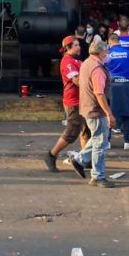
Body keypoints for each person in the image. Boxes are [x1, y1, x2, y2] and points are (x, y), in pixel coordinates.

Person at [67, 40, 115, 188]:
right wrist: (109, 114)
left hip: (88, 108)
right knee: (100, 144)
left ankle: (80, 159)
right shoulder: (97, 69)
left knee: (96, 139)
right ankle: (97, 176)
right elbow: (99, 93)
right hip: (96, 110)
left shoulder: (87, 63)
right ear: (100, 52)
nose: (107, 54)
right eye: (106, 52)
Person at [44, 35, 89, 172]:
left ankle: (85, 159)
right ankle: (51, 155)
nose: (79, 47)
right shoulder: (67, 61)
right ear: (68, 48)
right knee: (72, 132)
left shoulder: (76, 60)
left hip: (81, 101)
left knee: (86, 131)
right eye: (76, 45)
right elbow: (77, 81)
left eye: (78, 45)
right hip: (73, 102)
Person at [105, 34, 129, 150]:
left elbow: (103, 67)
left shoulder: (107, 54)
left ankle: (107, 141)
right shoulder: (128, 53)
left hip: (111, 84)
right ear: (118, 41)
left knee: (108, 112)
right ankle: (127, 141)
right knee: (127, 113)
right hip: (126, 84)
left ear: (109, 41)